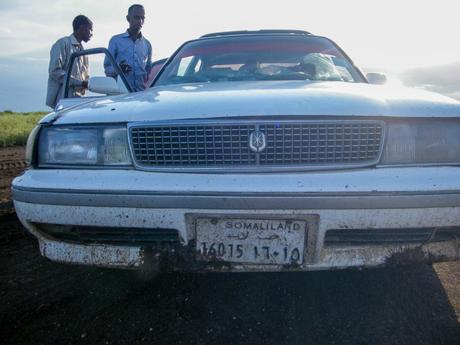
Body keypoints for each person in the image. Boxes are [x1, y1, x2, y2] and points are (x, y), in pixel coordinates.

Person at [46, 15, 93, 109]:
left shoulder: (84, 52)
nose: (91, 33)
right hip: (63, 99)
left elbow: (85, 77)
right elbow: (54, 71)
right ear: (82, 28)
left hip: (79, 101)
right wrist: (79, 83)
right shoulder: (62, 44)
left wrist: (89, 84)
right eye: (90, 29)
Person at [104, 4, 152, 92]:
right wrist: (118, 69)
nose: (140, 21)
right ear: (128, 18)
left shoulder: (147, 44)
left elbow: (148, 69)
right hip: (120, 95)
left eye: (143, 18)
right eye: (137, 18)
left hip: (141, 95)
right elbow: (107, 69)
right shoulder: (115, 41)